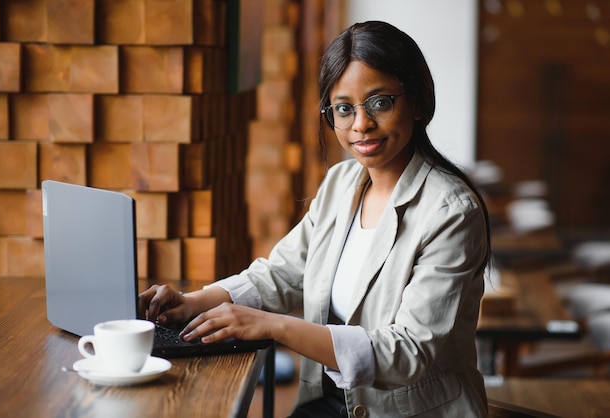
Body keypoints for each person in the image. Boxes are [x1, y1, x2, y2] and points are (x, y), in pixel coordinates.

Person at [140, 20, 491, 417]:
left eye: (380, 102)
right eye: (344, 109)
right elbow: (284, 273)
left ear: (417, 101)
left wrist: (273, 326)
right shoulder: (342, 183)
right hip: (330, 403)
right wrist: (192, 303)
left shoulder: (451, 212)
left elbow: (405, 353)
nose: (361, 124)